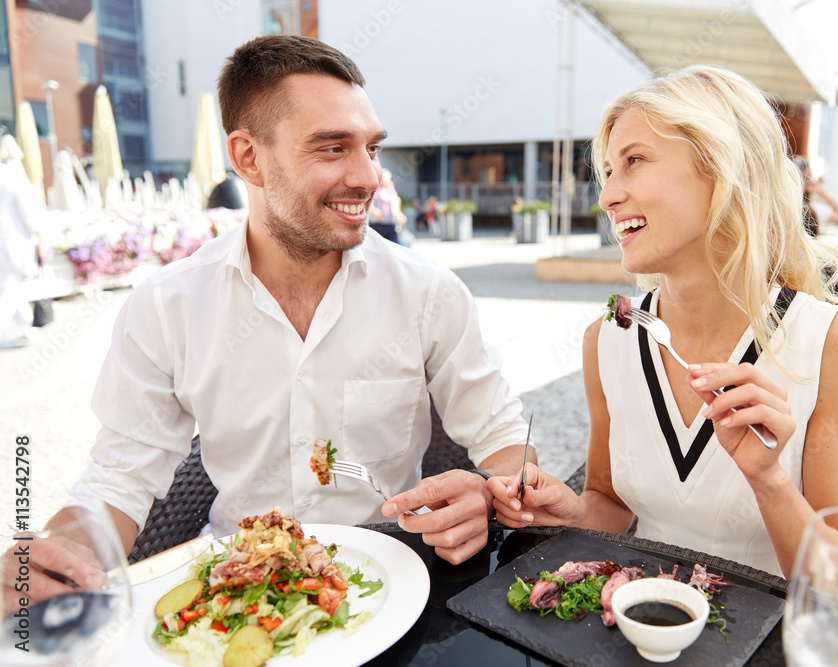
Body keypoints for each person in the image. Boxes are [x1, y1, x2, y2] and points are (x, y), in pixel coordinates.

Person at [4, 35, 533, 612]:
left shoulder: (429, 293)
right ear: (248, 157)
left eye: (372, 148)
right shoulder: (167, 305)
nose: (368, 177)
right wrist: (53, 554)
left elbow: (508, 446)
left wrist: (488, 492)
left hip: (393, 587)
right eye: (332, 148)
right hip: (238, 591)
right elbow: (118, 483)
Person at [488, 66, 838, 590]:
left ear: (724, 170)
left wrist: (769, 481)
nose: (606, 197)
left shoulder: (828, 343)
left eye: (634, 161)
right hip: (634, 624)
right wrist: (572, 511)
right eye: (607, 171)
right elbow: (611, 503)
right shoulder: (608, 339)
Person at [0, 134, 42, 349]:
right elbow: (28, 212)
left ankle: (25, 325)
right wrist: (37, 234)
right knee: (9, 286)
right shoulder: (12, 175)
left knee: (9, 284)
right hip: (12, 240)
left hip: (7, 242)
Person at [791, 154, 838, 237]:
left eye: (806, 178)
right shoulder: (778, 205)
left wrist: (821, 191)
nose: (800, 182)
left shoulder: (812, 211)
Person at [368, 167, 406, 244]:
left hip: (390, 225)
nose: (387, 181)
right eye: (385, 178)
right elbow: (369, 205)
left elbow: (395, 203)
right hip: (377, 225)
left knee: (394, 247)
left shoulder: (391, 190)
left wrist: (399, 215)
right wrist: (377, 213)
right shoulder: (374, 190)